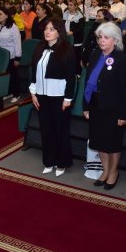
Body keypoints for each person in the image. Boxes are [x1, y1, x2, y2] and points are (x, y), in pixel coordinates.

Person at [83, 22, 126, 190]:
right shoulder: (95, 55)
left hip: (113, 107)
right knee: (99, 141)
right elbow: (87, 82)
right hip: (95, 104)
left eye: (106, 37)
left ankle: (113, 172)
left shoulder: (122, 59)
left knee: (112, 143)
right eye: (99, 37)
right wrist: (86, 106)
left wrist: (124, 114)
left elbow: (125, 90)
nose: (101, 41)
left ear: (115, 40)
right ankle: (105, 170)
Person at [29, 18, 77, 177]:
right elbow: (33, 71)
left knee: (60, 130)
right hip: (42, 95)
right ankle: (49, 161)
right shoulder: (40, 47)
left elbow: (71, 77)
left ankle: (62, 162)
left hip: (59, 96)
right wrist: (33, 92)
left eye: (52, 29)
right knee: (46, 130)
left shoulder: (67, 49)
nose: (47, 32)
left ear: (59, 32)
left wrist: (68, 98)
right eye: (46, 29)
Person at [0, 7, 22, 103]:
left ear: (6, 16)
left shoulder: (13, 27)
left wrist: (17, 57)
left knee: (13, 76)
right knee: (5, 75)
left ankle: (16, 94)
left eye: (1, 14)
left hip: (11, 55)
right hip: (0, 56)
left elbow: (17, 43)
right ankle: (9, 92)